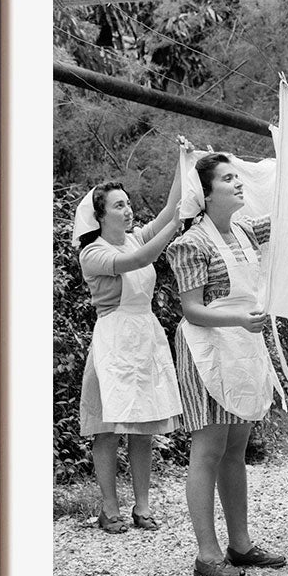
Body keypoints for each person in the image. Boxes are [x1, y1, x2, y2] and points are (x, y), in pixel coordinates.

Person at [166, 152, 285, 576]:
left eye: (238, 177)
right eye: (228, 179)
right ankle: (207, 552)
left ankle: (240, 543)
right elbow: (192, 309)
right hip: (208, 347)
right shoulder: (190, 244)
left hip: (242, 344)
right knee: (208, 449)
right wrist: (238, 319)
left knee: (236, 448)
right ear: (206, 193)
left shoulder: (245, 230)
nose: (238, 184)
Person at [72, 150, 187, 533]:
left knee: (143, 425)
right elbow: (139, 260)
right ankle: (109, 508)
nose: (128, 210)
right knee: (106, 427)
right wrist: (176, 226)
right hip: (112, 339)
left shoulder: (135, 237)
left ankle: (142, 506)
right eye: (118, 206)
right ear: (100, 216)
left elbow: (170, 209)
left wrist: (183, 162)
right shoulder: (93, 253)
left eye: (128, 203)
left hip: (144, 336)